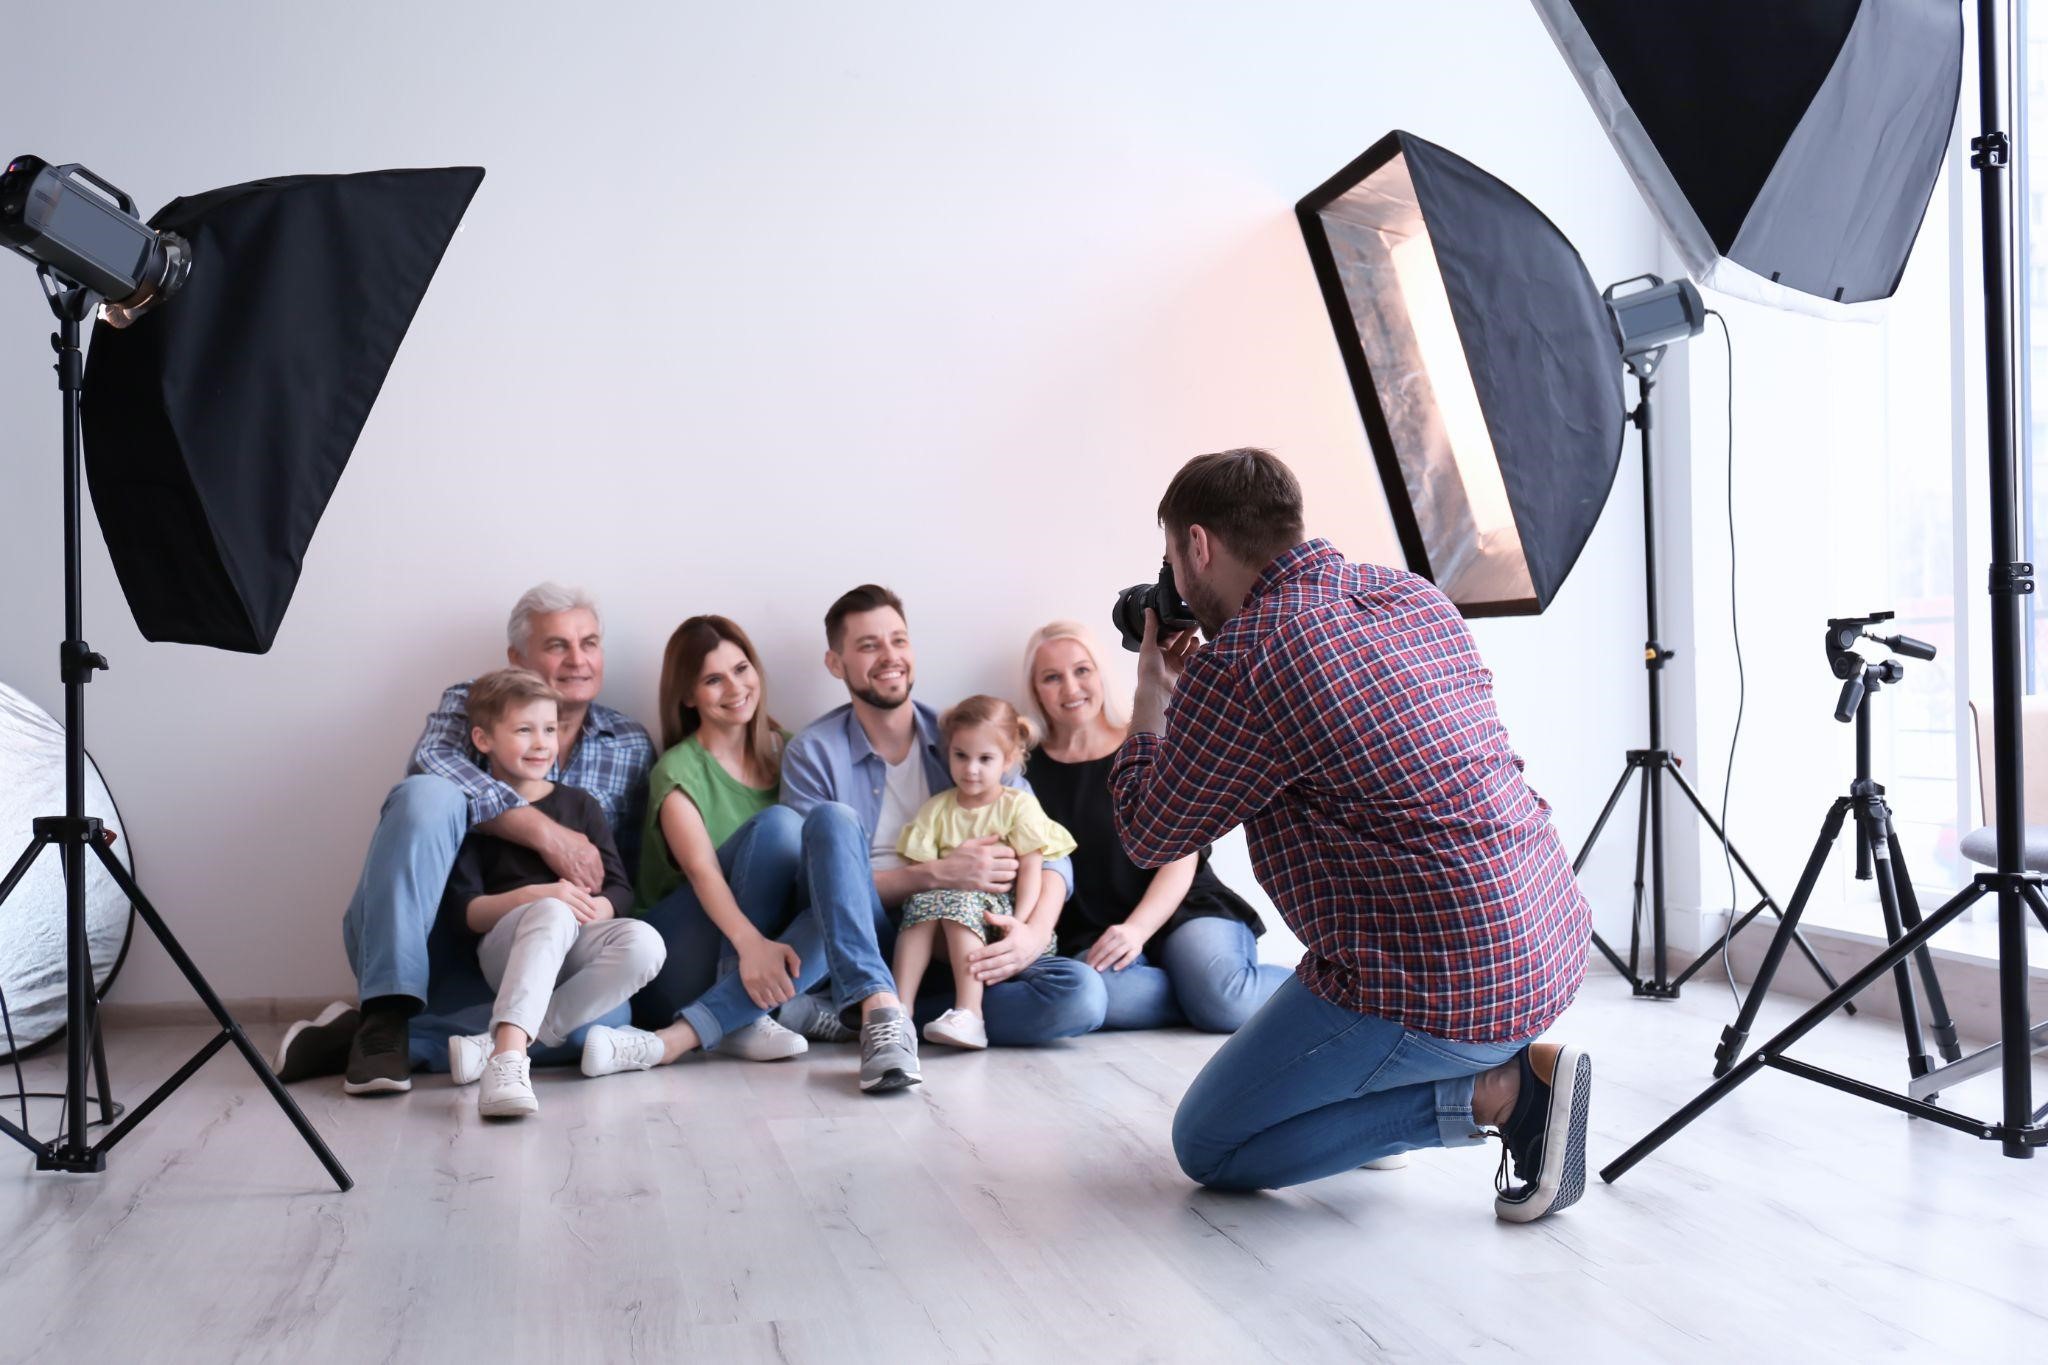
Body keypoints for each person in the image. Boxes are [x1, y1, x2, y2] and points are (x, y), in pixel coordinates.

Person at [1110, 449, 1594, 1223]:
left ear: (1197, 545)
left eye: (1172, 556)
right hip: (1551, 936)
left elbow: (1147, 830)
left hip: (1443, 983)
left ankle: (1499, 1093)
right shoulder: (1410, 595)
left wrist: (1152, 700)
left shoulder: (1243, 662)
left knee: (1210, 1144)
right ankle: (1433, 1079)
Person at [272, 584, 656, 1094]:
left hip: (554, 956)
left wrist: (605, 915)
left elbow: (622, 870)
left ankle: (388, 1041)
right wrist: (543, 832)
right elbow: (431, 766)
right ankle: (388, 1009)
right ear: (517, 656)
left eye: (589, 642)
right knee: (427, 795)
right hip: (456, 937)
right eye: (557, 645)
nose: (578, 660)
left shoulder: (629, 742)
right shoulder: (475, 703)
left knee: (602, 1022)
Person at [779, 585, 1107, 1084]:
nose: (890, 657)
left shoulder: (965, 736)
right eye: (869, 645)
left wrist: (1031, 934)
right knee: (835, 828)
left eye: (899, 640)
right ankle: (883, 1007)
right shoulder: (814, 752)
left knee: (1080, 993)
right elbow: (818, 884)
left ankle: (877, 1017)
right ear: (835, 662)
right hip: (870, 933)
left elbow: (1049, 853)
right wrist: (932, 875)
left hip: (974, 936)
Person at [574, 615, 872, 1080]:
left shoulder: (794, 754)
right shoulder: (677, 772)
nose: (735, 687)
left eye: (741, 669)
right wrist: (750, 946)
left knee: (842, 900)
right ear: (689, 696)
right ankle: (761, 1010)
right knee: (777, 827)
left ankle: (736, 1017)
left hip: (764, 954)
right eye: (714, 679)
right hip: (677, 957)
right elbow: (703, 873)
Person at [1022, 620, 1287, 1032]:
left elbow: (1183, 849)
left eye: (1081, 671)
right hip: (1093, 930)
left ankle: (1336, 992)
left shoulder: (1144, 741)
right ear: (1036, 690)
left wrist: (1137, 929)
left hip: (1183, 906)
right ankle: (1200, 992)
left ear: (1100, 674)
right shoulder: (1026, 774)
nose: (1071, 688)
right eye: (1052, 678)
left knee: (1228, 1005)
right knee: (1093, 996)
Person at [435, 669, 664, 1118]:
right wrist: (542, 896)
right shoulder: (475, 814)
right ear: (483, 739)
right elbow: (468, 912)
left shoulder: (580, 805)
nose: (541, 743)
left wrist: (601, 906)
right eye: (524, 730)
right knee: (553, 912)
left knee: (646, 943)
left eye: (550, 729)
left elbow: (619, 888)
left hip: (575, 945)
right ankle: (509, 1065)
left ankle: (499, 1046)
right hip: (506, 950)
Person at [891, 696, 1076, 1050]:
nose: (971, 769)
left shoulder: (1016, 805)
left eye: (985, 759)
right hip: (946, 921)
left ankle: (970, 1013)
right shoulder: (937, 809)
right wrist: (943, 876)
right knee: (923, 904)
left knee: (959, 899)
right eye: (961, 756)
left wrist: (1021, 923)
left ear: (1008, 760)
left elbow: (1032, 870)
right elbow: (921, 871)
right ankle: (899, 1011)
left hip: (1000, 917)